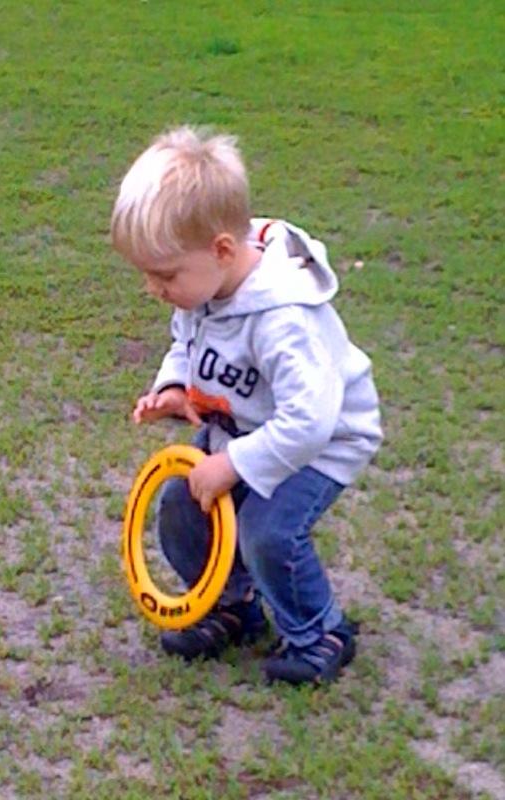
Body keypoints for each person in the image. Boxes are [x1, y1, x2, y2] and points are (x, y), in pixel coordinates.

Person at [110, 126, 383, 686]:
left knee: (267, 531)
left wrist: (233, 465)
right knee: (182, 507)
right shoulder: (204, 285)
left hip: (320, 440)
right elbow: (188, 340)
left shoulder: (283, 318)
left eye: (164, 275)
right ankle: (232, 606)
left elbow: (309, 421)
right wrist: (176, 386)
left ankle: (321, 632)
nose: (153, 289)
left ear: (222, 250)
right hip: (246, 429)